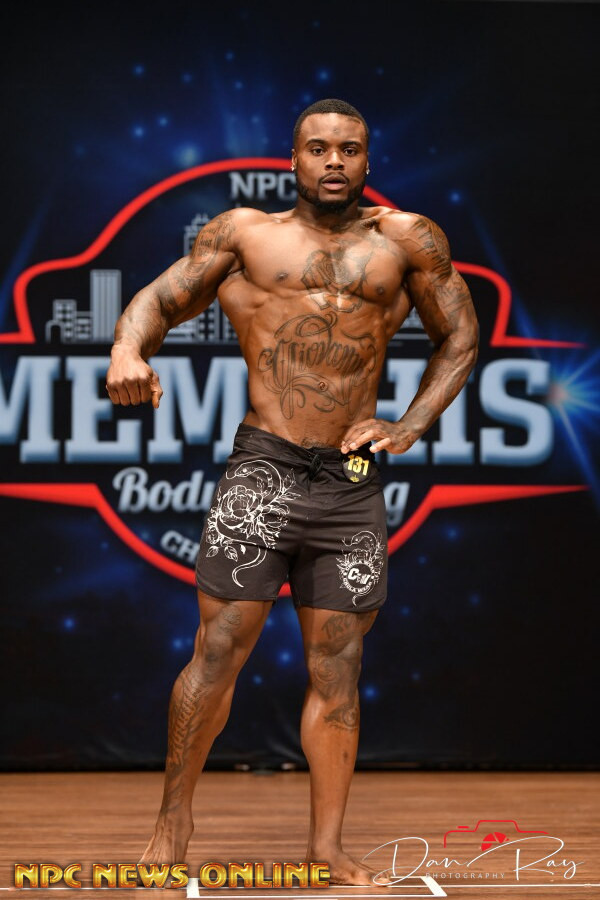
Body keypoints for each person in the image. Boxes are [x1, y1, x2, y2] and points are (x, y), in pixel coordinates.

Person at [105, 98, 479, 885]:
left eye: (349, 148)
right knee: (216, 652)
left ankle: (326, 847)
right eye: (318, 148)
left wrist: (411, 423)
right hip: (264, 470)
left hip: (349, 481)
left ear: (367, 159)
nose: (334, 161)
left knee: (337, 669)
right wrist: (127, 352)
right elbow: (158, 300)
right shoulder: (246, 234)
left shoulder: (408, 240)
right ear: (294, 158)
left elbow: (460, 336)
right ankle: (173, 821)